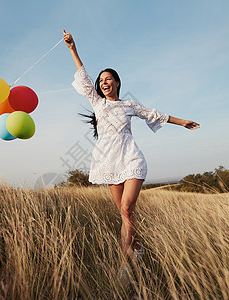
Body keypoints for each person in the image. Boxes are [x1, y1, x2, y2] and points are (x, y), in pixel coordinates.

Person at [63, 30, 200, 264]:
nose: (104, 83)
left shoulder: (129, 104)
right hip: (109, 161)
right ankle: (138, 248)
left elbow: (154, 114)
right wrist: (72, 48)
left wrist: (182, 122)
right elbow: (84, 79)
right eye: (101, 80)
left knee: (127, 208)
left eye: (108, 79)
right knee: (126, 214)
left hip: (131, 158)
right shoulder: (98, 103)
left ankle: (124, 265)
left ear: (117, 82)